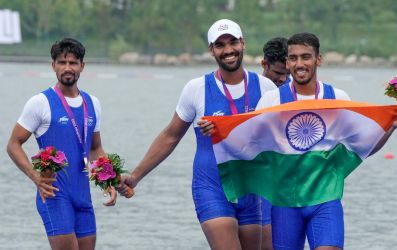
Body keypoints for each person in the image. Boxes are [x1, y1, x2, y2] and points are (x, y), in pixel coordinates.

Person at [117, 19, 276, 249]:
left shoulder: (266, 88)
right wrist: (135, 176)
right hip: (212, 187)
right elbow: (170, 136)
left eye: (233, 42)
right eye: (220, 45)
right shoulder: (197, 89)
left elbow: (278, 139)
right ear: (212, 50)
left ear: (243, 43)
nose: (228, 50)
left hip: (252, 190)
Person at [256, 33, 397, 250]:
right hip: (284, 205)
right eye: (293, 58)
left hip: (325, 201)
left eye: (306, 57)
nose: (299, 64)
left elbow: (363, 147)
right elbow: (249, 148)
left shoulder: (338, 99)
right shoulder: (270, 102)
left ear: (318, 59)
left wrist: (392, 124)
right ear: (287, 62)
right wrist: (218, 131)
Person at [6, 38, 116, 250]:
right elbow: (13, 144)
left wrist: (107, 180)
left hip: (83, 197)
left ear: (82, 66)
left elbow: (94, 148)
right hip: (55, 196)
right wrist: (35, 177)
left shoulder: (92, 103)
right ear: (53, 65)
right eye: (62, 62)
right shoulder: (40, 102)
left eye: (73, 63)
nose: (68, 68)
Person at [259, 36, 291, 250]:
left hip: (282, 186)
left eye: (287, 74)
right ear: (264, 64)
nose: (283, 79)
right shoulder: (253, 89)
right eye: (278, 73)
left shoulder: (292, 93)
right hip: (254, 183)